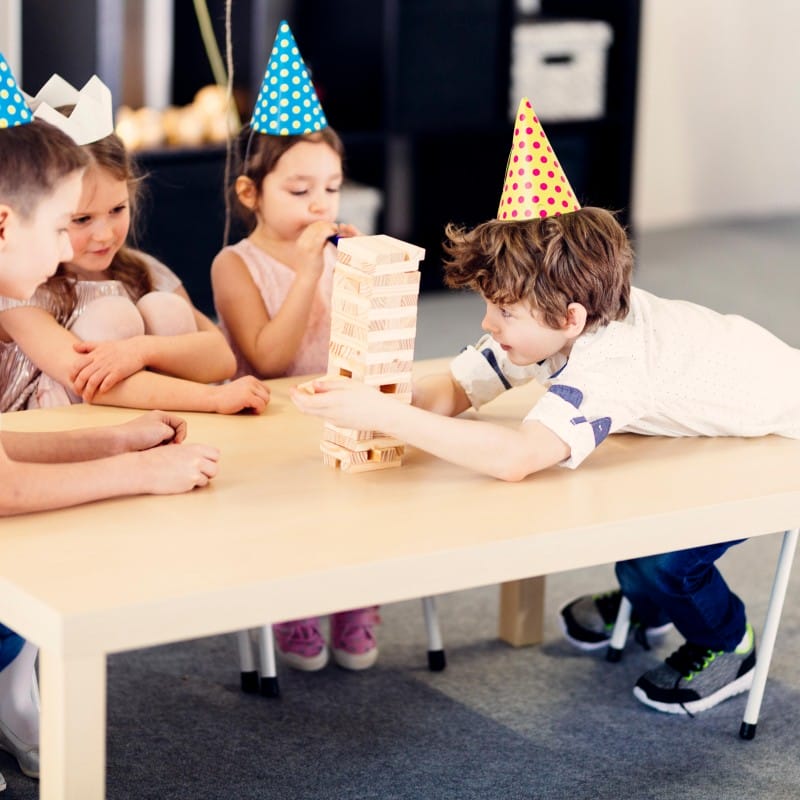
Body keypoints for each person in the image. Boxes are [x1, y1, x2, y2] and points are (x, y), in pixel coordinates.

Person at [291, 96, 800, 717]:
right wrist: (376, 397)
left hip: (778, 435)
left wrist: (387, 417)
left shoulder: (611, 363)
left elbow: (516, 457)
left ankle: (725, 641)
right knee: (636, 518)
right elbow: (456, 388)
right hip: (711, 412)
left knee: (667, 557)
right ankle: (647, 600)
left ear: (570, 318)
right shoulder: (547, 323)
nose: (488, 323)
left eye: (502, 311)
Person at [0, 56, 221, 787]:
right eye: (62, 225)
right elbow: (7, 489)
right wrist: (140, 469)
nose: (73, 247)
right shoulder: (22, 304)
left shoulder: (138, 270)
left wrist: (117, 437)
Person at [211, 20, 378, 673]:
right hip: (275, 417)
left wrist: (369, 276)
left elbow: (373, 341)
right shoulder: (236, 264)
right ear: (250, 193)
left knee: (368, 495)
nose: (320, 205)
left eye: (331, 189)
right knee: (294, 513)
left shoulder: (337, 251)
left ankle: (357, 595)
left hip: (343, 408)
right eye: (300, 190)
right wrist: (309, 271)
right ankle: (293, 603)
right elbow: (271, 359)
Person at [0, 72, 270, 415]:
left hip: (152, 418)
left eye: (117, 209)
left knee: (165, 308)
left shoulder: (142, 271)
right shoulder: (19, 289)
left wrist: (140, 351)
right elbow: (86, 379)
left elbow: (221, 358)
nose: (104, 234)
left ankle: (168, 429)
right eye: (81, 219)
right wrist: (213, 400)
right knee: (113, 317)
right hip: (54, 428)